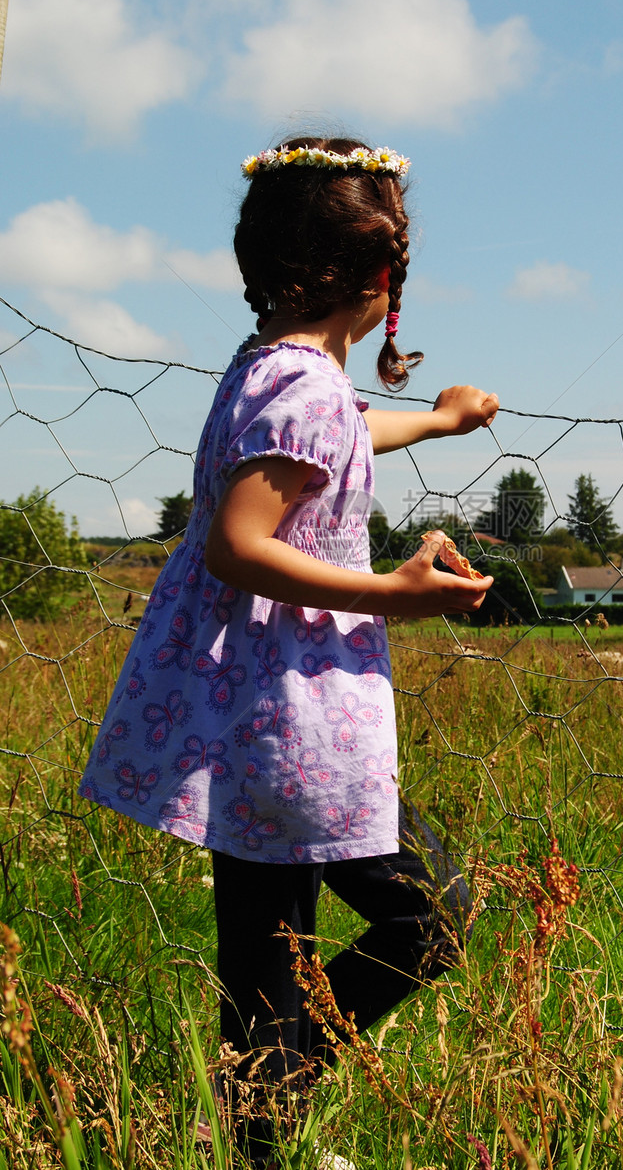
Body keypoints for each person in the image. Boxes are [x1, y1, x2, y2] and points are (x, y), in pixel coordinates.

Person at [78, 136, 499, 1166]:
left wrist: (435, 425)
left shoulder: (272, 370)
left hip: (246, 712)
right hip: (289, 720)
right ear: (380, 277)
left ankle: (264, 1122)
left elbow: (335, 430)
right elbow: (240, 541)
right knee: (434, 913)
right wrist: (391, 593)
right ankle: (284, 1084)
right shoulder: (302, 388)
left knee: (266, 961)